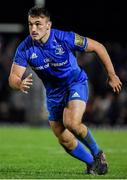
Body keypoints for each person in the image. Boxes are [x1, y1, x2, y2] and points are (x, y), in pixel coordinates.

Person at [8, 5, 122, 175]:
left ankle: (98, 153)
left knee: (72, 123)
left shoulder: (65, 38)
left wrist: (112, 75)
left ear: (48, 25)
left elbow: (98, 47)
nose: (33, 28)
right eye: (30, 24)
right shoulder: (25, 48)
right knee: (63, 138)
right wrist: (19, 83)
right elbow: (13, 77)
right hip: (53, 94)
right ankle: (92, 163)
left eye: (38, 24)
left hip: (75, 83)